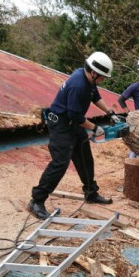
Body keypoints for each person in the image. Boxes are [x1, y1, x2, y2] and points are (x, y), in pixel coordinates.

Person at [28, 51, 115, 219]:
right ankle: (37, 200)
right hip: (61, 124)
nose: (103, 80)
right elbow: (75, 116)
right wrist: (95, 128)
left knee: (85, 158)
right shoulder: (78, 85)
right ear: (94, 73)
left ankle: (91, 193)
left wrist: (109, 112)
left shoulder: (86, 77)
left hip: (73, 124)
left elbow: (95, 95)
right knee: (60, 164)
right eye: (102, 77)